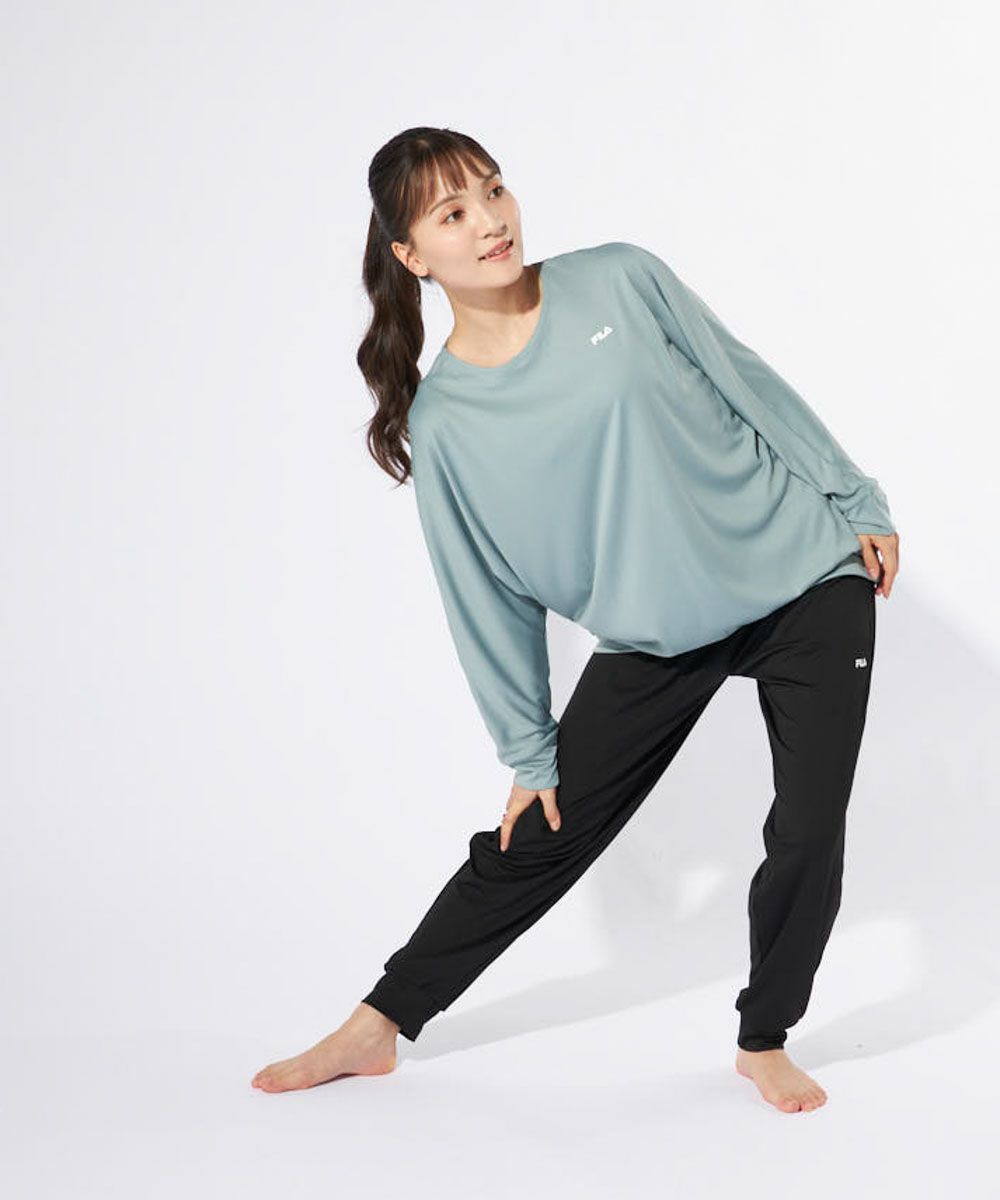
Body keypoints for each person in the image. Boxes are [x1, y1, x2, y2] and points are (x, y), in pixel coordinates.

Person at [251, 127, 900, 1112]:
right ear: (411, 255)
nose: (490, 221)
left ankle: (763, 1039)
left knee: (807, 830)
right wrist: (529, 749)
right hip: (657, 632)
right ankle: (378, 1023)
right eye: (454, 213)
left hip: (803, 574)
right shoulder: (447, 422)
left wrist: (853, 498)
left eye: (493, 190)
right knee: (541, 832)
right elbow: (482, 593)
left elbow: (747, 380)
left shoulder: (620, 280)